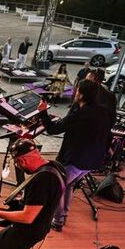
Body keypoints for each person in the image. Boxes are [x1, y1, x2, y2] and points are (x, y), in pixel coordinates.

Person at [37, 79, 110, 231]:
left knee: (58, 187)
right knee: (68, 186)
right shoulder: (103, 111)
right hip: (93, 161)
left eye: (77, 91)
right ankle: (61, 216)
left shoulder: (81, 114)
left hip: (76, 160)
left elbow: (52, 130)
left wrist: (43, 112)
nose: (75, 93)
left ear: (82, 95)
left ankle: (57, 221)